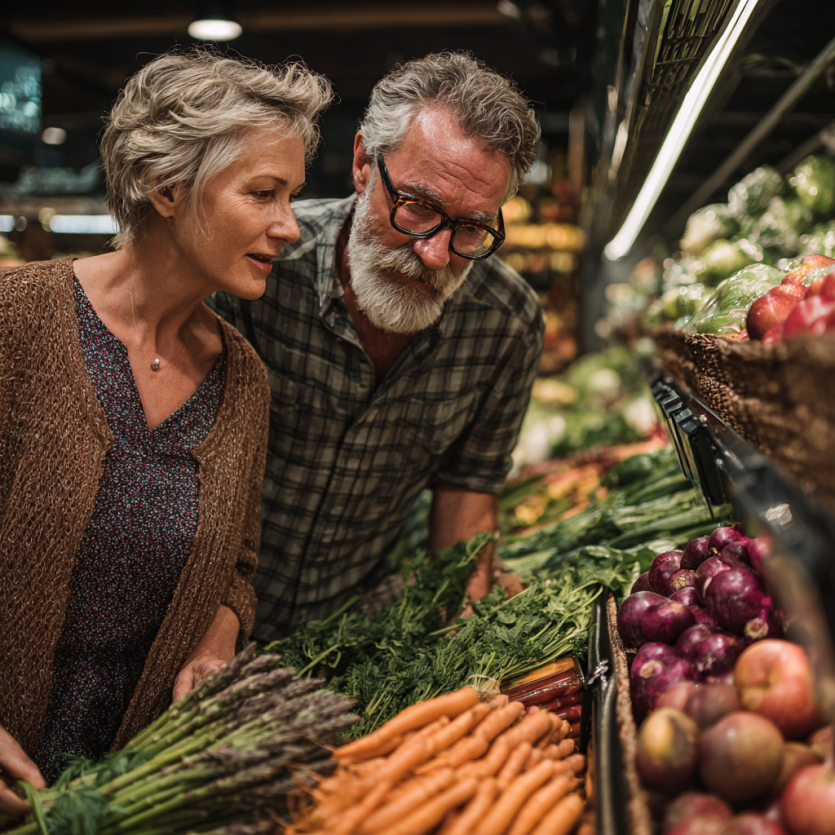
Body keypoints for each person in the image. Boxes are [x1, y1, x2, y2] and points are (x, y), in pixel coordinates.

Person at [0, 48, 332, 811]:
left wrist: (216, 637)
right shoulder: (17, 322)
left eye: (292, 197)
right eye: (263, 193)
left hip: (130, 797)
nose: (289, 226)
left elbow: (237, 566)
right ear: (167, 188)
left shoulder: (242, 380)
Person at [210, 52, 544, 643]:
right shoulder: (260, 268)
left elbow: (469, 492)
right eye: (418, 206)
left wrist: (459, 652)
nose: (436, 254)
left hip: (346, 636)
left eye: (471, 227)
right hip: (199, 616)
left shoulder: (506, 324)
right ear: (365, 163)